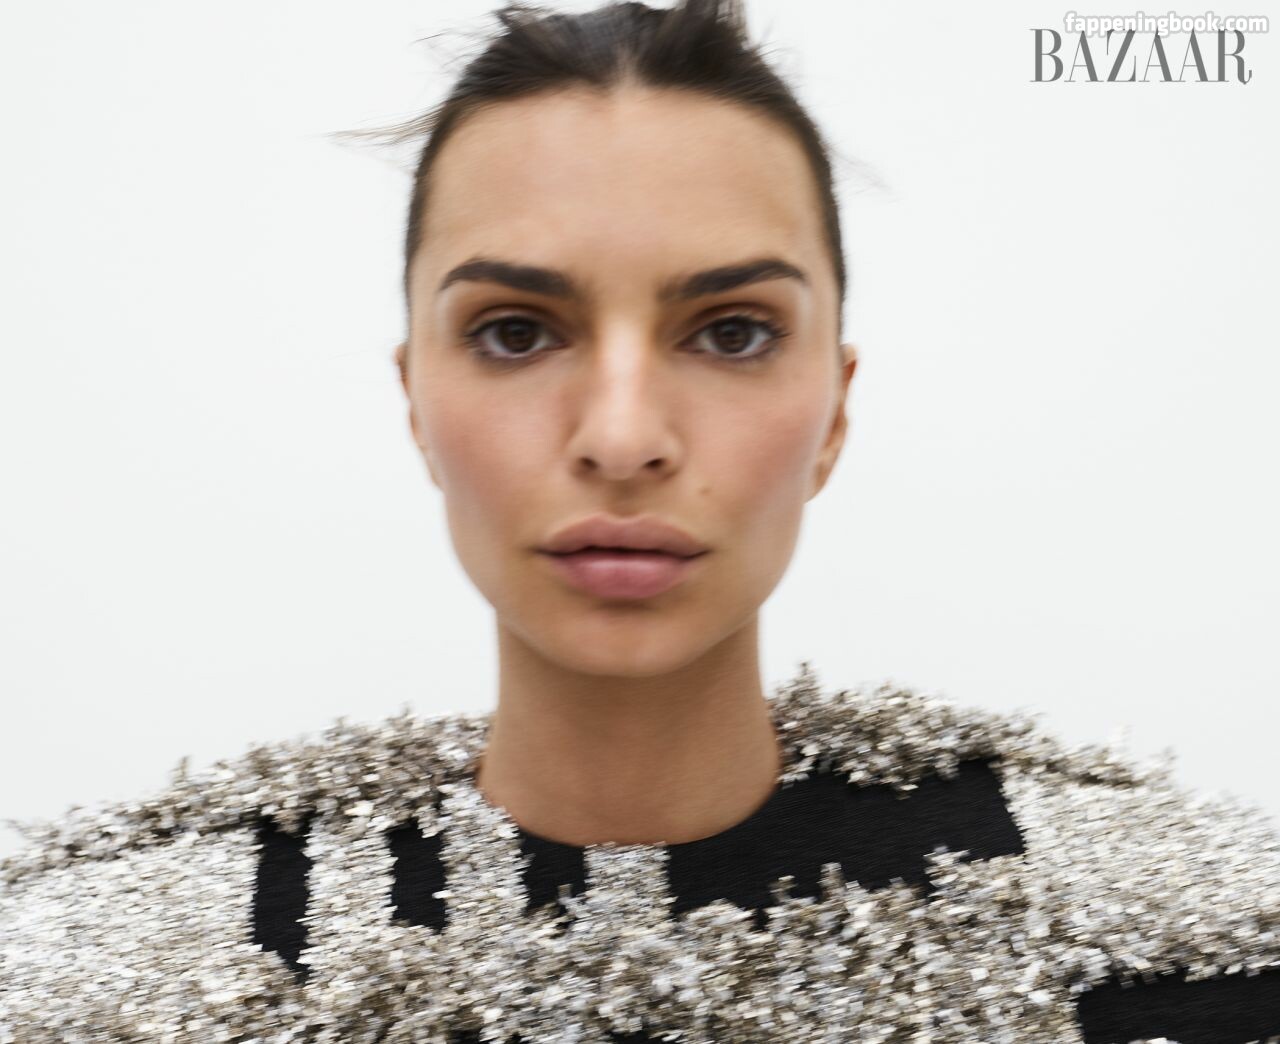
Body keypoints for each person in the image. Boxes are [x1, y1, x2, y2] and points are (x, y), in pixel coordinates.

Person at [2, 0, 1278, 1040]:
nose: (621, 438)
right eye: (516, 332)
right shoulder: (100, 975)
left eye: (731, 333)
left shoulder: (1190, 946)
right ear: (415, 403)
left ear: (833, 411)